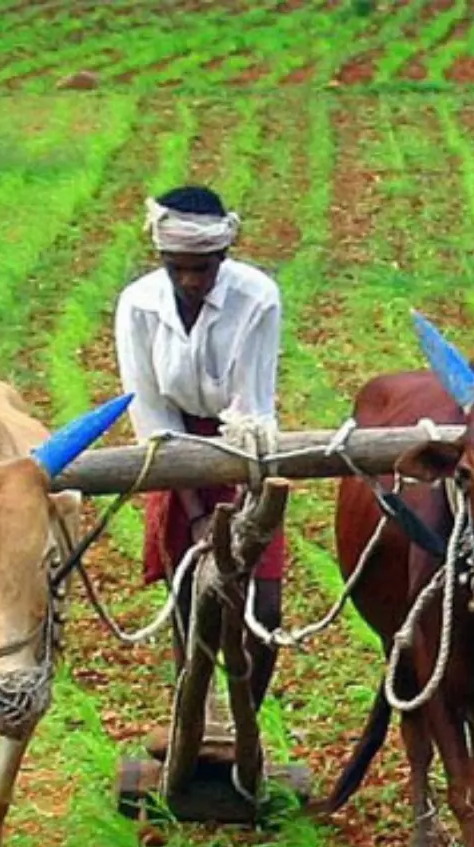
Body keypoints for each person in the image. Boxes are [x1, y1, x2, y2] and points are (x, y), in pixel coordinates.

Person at [113, 184, 286, 713]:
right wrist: (192, 515)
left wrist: (242, 515)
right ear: (162, 259)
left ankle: (244, 724)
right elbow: (151, 414)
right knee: (190, 595)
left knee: (264, 605)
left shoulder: (257, 297)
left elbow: (250, 407)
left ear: (223, 256)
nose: (190, 280)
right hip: (174, 452)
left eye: (203, 268)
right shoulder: (139, 305)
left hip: (244, 449)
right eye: (178, 267)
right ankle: (193, 713)